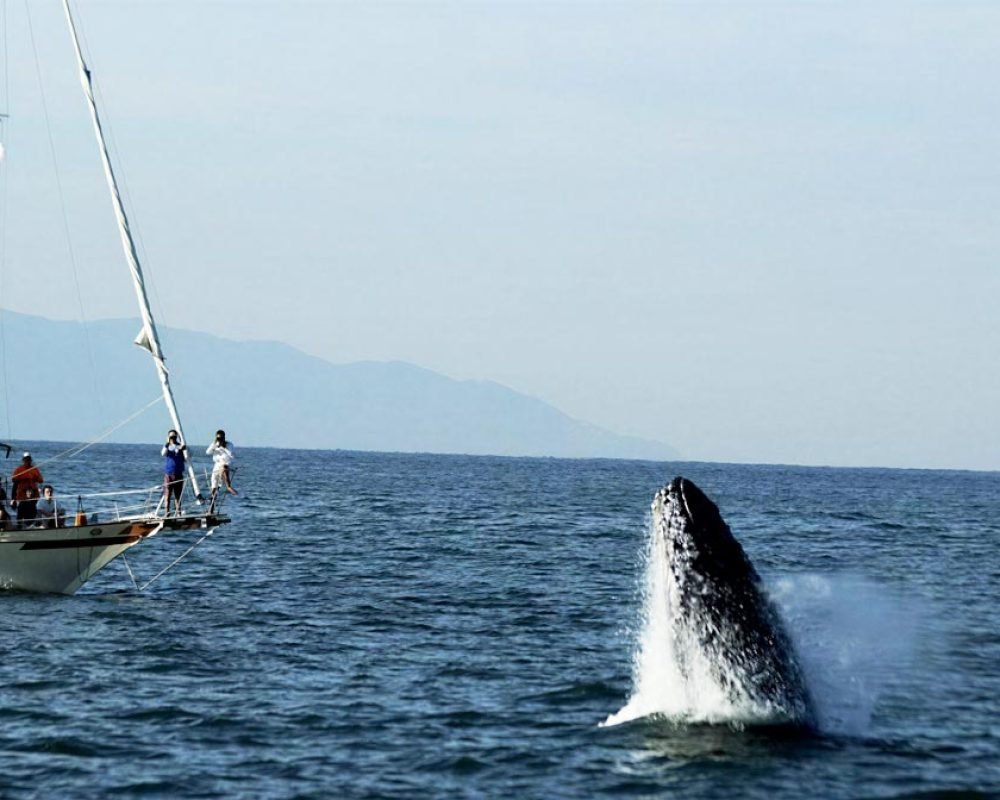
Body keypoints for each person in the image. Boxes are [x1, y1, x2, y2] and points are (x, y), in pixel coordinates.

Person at [206, 429, 237, 507]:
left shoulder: (229, 445)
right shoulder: (215, 444)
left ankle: (230, 489)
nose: (220, 440)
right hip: (217, 465)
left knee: (225, 482)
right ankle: (212, 502)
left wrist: (223, 447)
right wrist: (214, 445)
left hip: (225, 464)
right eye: (218, 438)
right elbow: (208, 452)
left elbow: (232, 455)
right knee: (214, 483)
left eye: (221, 438)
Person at [11, 452, 43, 524]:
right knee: (20, 514)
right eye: (26, 459)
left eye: (28, 459)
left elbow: (40, 480)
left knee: (31, 514)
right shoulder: (19, 470)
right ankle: (20, 526)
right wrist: (13, 498)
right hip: (21, 497)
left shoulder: (34, 470)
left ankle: (30, 526)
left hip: (33, 496)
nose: (27, 461)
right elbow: (14, 483)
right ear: (23, 460)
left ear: (30, 460)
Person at [161, 429, 187, 515]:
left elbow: (187, 457)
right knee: (167, 494)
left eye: (174, 436)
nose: (173, 438)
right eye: (171, 437)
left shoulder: (180, 446)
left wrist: (183, 449)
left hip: (178, 474)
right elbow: (163, 453)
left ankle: (178, 512)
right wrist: (167, 443)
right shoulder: (167, 447)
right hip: (169, 474)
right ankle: (167, 512)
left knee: (178, 495)